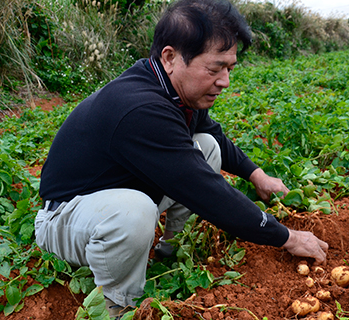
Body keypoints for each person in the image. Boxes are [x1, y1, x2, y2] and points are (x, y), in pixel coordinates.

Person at [35, 0, 328, 318]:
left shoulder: (171, 88)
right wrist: (286, 236)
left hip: (112, 196)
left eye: (230, 68)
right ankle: (117, 305)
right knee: (134, 214)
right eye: (215, 69)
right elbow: (205, 191)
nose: (225, 81)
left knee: (206, 146)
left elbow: (212, 135)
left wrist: (256, 175)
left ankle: (170, 253)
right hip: (66, 218)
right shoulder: (141, 108)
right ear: (171, 57)